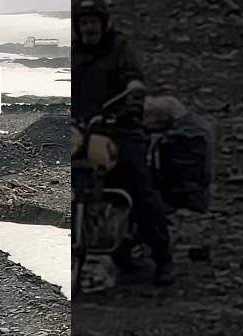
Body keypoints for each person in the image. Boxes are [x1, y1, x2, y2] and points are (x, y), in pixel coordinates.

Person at [73, 0, 174, 285]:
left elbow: (133, 80)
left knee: (140, 187)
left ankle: (163, 256)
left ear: (103, 24)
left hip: (120, 129)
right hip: (84, 131)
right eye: (84, 23)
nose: (89, 28)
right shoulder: (76, 55)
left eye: (93, 22)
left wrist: (131, 95)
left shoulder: (119, 48)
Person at [143, 95, 215, 214]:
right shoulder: (198, 127)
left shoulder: (183, 138)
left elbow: (180, 176)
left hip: (187, 200)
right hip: (198, 195)